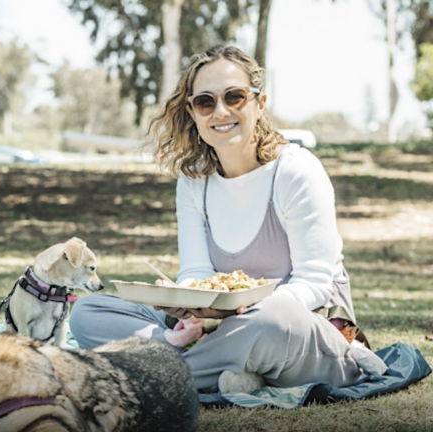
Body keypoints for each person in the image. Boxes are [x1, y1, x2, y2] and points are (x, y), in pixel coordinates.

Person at [68, 45, 369, 394]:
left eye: (235, 97)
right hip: (217, 328)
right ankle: (209, 367)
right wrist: (190, 308)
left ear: (259, 103)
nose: (221, 111)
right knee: (89, 311)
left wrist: (243, 310)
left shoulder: (296, 171)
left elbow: (316, 283)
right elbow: (196, 273)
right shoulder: (194, 180)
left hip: (298, 326)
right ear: (193, 112)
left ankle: (155, 373)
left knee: (272, 323)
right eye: (205, 102)